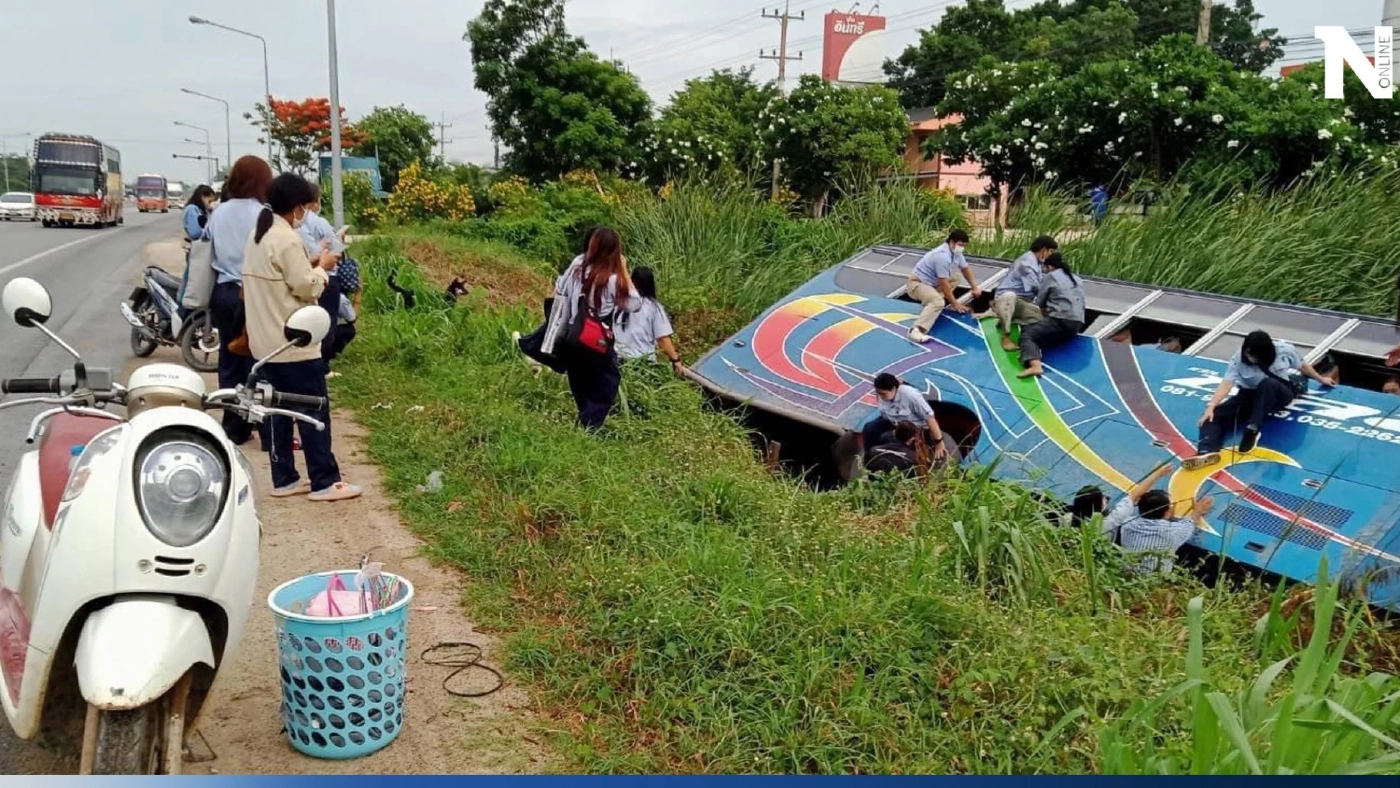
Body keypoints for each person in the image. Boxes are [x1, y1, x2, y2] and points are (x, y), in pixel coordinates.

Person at [241, 173, 362, 503]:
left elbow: (282, 276)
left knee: (277, 413)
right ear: (296, 207)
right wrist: (323, 267)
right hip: (293, 344)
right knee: (314, 412)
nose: (306, 213)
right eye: (306, 207)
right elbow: (306, 286)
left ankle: (285, 479)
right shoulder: (287, 239)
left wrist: (310, 264)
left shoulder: (259, 234)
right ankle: (325, 480)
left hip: (264, 345)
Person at [1185, 330, 1337, 470]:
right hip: (1249, 395)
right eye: (1248, 353)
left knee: (1267, 383)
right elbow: (1227, 383)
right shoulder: (1238, 358)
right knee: (1213, 416)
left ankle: (1253, 428)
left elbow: (1302, 366)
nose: (1250, 357)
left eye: (1254, 354)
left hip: (1279, 393)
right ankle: (1207, 452)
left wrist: (1321, 379)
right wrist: (1211, 406)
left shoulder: (1284, 350)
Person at [540, 227, 641, 431]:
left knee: (579, 377)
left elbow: (559, 289)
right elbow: (635, 304)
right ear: (615, 251)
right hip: (594, 338)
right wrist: (625, 270)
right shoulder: (613, 279)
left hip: (570, 335)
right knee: (609, 381)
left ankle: (584, 419)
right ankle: (589, 427)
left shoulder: (578, 264)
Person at [206, 155, 274, 445]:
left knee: (230, 358)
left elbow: (207, 245)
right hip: (253, 293)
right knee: (258, 360)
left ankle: (233, 426)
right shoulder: (263, 214)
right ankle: (258, 421)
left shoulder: (218, 212)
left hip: (222, 292)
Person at [1102, 461, 1214, 574]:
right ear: (1167, 512)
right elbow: (1192, 520)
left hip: (1126, 574)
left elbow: (1134, 495)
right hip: (1155, 582)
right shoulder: (1174, 531)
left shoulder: (1127, 524)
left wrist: (1157, 474)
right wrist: (1198, 511)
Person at [907, 229, 982, 343]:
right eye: (960, 245)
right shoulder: (942, 256)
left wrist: (974, 287)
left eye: (964, 246)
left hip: (932, 283)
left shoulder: (956, 253)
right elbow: (944, 284)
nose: (961, 248)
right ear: (951, 242)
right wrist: (955, 304)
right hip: (917, 284)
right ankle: (916, 330)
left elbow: (965, 269)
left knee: (956, 277)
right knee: (938, 302)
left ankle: (933, 301)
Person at [1019, 252, 1086, 379]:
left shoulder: (1051, 276)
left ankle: (1035, 366)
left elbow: (1039, 303)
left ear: (1049, 267)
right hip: (1077, 324)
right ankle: (1032, 354)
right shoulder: (1077, 279)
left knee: (1028, 335)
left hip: (1060, 320)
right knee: (1042, 332)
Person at [858, 373, 949, 463]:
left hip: (912, 427)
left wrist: (939, 442)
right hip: (893, 421)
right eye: (878, 393)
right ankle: (870, 460)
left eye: (883, 394)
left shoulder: (911, 396)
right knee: (870, 428)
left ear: (894, 389)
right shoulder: (881, 394)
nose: (880, 396)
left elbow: (930, 418)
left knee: (887, 438)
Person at [613, 266, 684, 375]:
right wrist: (675, 360)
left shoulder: (618, 302)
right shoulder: (653, 307)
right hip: (641, 363)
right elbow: (662, 338)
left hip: (617, 360)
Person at [993, 235, 1055, 351]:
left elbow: (1041, 282)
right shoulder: (1027, 263)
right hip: (1007, 299)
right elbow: (1035, 287)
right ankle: (1005, 337)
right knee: (1009, 297)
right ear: (1043, 250)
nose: (1050, 255)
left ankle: (1008, 318)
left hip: (1023, 301)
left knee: (1039, 319)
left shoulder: (1038, 263)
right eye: (1050, 251)